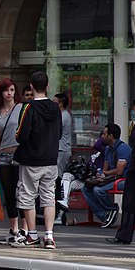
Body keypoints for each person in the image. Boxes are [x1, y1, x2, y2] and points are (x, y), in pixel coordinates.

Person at [10, 71, 61, 249]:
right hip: (51, 159)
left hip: (31, 159)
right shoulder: (56, 108)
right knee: (48, 197)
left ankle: (32, 235)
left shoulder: (28, 108)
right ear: (47, 86)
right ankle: (49, 236)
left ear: (31, 86)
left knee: (27, 196)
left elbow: (21, 135)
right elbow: (59, 133)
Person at [0, 78, 24, 244]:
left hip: (19, 155)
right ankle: (13, 228)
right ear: (0, 92)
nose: (9, 94)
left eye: (12, 90)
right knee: (8, 194)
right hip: (3, 156)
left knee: (21, 193)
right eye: (6, 90)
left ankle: (25, 229)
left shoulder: (22, 108)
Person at [83, 123, 131, 228]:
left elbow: (119, 171)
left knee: (98, 190)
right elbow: (105, 168)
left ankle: (112, 209)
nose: (102, 137)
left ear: (111, 136)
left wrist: (105, 173)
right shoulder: (108, 149)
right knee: (86, 187)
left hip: (125, 179)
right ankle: (105, 215)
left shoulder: (123, 149)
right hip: (111, 178)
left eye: (104, 134)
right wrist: (100, 174)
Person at [108, 99, 135, 244]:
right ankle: (124, 234)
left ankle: (124, 234)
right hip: (133, 168)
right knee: (129, 202)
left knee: (130, 202)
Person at [53, 93, 73, 222]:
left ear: (60, 103)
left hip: (61, 150)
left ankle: (60, 210)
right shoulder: (63, 115)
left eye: (54, 101)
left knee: (59, 179)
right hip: (60, 149)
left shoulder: (63, 116)